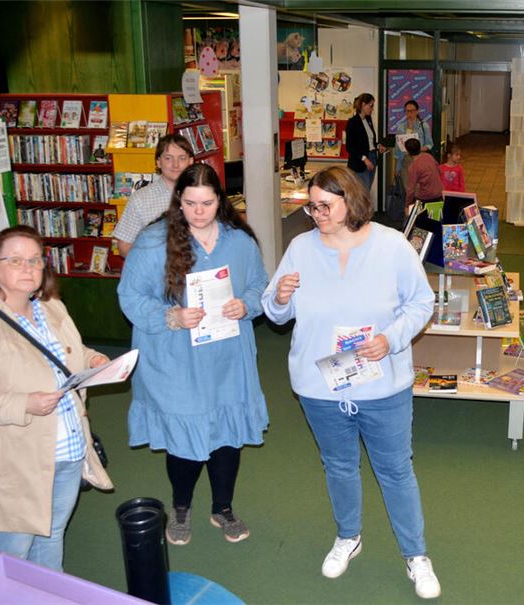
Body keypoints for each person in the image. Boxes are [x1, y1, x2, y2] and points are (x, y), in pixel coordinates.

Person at [262, 166, 441, 599]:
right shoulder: (301, 248)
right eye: (312, 206)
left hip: (383, 384)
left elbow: (422, 302)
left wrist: (390, 339)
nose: (317, 213)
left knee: (396, 470)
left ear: (351, 201)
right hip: (319, 385)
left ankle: (416, 555)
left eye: (326, 205)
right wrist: (281, 297)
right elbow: (274, 311)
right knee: (339, 466)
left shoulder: (391, 245)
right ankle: (348, 537)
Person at [118, 163, 269, 546]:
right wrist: (171, 315)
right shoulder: (154, 241)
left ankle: (223, 507)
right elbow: (130, 297)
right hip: (176, 358)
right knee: (185, 437)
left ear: (221, 200)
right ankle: (181, 506)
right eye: (189, 203)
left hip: (227, 355)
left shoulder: (239, 241)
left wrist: (246, 305)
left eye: (207, 202)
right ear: (177, 200)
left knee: (227, 436)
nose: (198, 211)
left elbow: (258, 286)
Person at [0, 225, 111, 571]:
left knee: (51, 537)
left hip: (65, 450)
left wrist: (93, 359)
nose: (28, 268)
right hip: (14, 462)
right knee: (11, 557)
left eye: (35, 260)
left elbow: (69, 353)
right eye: (16, 260)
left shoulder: (52, 308)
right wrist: (24, 404)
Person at [113, 134, 195, 257]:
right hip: (158, 271)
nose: (175, 164)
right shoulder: (140, 199)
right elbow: (124, 247)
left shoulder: (203, 194)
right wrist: (153, 259)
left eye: (182, 158)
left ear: (191, 161)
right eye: (168, 158)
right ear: (158, 162)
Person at [345, 93, 385, 194]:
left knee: (367, 191)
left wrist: (378, 145)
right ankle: (360, 210)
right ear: (363, 105)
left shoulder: (368, 119)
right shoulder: (352, 122)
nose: (372, 109)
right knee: (361, 193)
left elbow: (370, 141)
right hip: (360, 162)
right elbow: (350, 147)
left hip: (372, 157)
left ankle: (364, 210)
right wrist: (364, 159)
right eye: (370, 106)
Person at [395, 100, 433, 188]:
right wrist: (397, 167)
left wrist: (417, 149)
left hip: (419, 160)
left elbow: (429, 144)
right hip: (405, 162)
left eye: (412, 111)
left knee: (419, 190)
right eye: (407, 111)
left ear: (417, 111)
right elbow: (397, 150)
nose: (409, 113)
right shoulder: (401, 127)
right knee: (408, 190)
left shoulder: (424, 126)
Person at [404, 137, 443, 213]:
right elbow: (439, 170)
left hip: (425, 198)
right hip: (438, 194)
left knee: (420, 221)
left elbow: (411, 190)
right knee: (436, 219)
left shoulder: (413, 167)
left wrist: (407, 205)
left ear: (407, 151)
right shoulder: (428, 156)